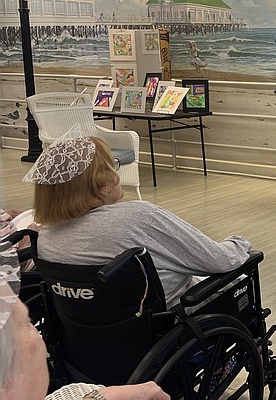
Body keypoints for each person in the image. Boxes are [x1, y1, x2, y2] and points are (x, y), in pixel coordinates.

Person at [0, 267, 260, 400]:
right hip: (150, 349)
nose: (38, 337)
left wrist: (110, 397)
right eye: (26, 323)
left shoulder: (47, 239)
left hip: (89, 356)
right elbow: (219, 257)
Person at [24, 132, 252, 308]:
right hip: (168, 324)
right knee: (241, 280)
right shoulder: (139, 218)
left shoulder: (45, 239)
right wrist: (239, 243)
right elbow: (219, 260)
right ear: (101, 183)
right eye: (112, 165)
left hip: (92, 344)